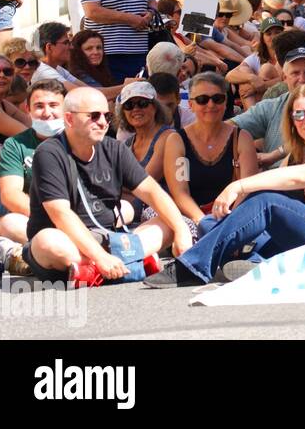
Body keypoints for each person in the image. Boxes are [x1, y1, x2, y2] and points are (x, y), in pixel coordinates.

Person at [146, 84, 305, 287]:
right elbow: (278, 180)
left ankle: (192, 267)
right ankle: (257, 264)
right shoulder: (298, 154)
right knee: (210, 225)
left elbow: (301, 176)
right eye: (299, 114)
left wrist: (238, 186)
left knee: (266, 201)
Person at [23, 87, 191, 285]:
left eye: (106, 116)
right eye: (94, 116)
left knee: (167, 224)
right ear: (69, 119)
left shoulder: (114, 148)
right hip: (69, 239)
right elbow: (60, 214)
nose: (103, 123)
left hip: (111, 238)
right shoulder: (49, 153)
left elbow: (152, 192)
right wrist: (100, 257)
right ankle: (130, 264)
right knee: (47, 242)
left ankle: (92, 272)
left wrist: (182, 230)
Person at [160, 71, 257, 227]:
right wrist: (204, 222)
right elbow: (180, 192)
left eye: (217, 99)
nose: (210, 105)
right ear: (191, 105)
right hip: (191, 219)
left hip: (233, 217)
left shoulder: (241, 138)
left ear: (226, 103)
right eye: (202, 100)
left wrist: (229, 223)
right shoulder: (178, 141)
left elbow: (246, 188)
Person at [231, 32, 305, 167]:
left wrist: (273, 155)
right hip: (271, 182)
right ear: (285, 77)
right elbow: (230, 129)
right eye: (295, 73)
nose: (302, 79)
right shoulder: (271, 106)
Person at [0, 80, 67, 243]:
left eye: (54, 105)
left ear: (66, 109)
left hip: (82, 216)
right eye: (39, 106)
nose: (47, 112)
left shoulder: (79, 139)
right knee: (9, 224)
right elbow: (10, 195)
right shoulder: (15, 145)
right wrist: (56, 219)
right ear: (28, 109)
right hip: (40, 219)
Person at [116, 82, 172, 187]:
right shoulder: (126, 145)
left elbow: (145, 183)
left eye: (142, 103)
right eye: (129, 105)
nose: (136, 109)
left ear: (155, 107)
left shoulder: (168, 137)